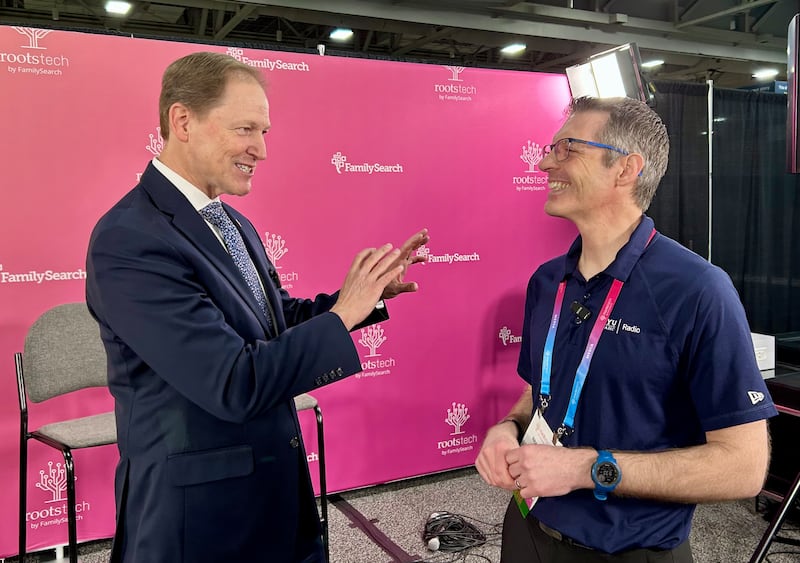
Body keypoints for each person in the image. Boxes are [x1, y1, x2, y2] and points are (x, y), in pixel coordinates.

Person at [85, 51, 429, 563]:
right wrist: (342, 316)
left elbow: (273, 323)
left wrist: (360, 301)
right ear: (183, 121)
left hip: (274, 492)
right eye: (247, 128)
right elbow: (232, 382)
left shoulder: (231, 222)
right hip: (200, 520)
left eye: (264, 132)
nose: (261, 150)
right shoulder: (130, 239)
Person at [475, 96, 777, 562]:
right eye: (549, 149)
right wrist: (505, 427)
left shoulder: (697, 290)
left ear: (626, 168)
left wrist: (588, 469)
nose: (542, 163)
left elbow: (743, 468)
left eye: (566, 149)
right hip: (529, 530)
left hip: (632, 549)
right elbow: (538, 393)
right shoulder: (546, 282)